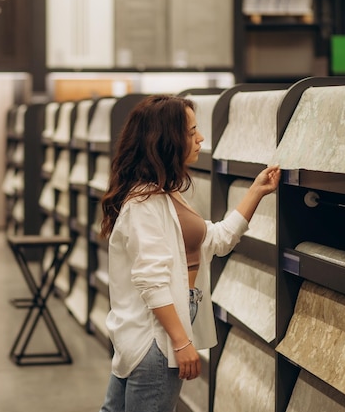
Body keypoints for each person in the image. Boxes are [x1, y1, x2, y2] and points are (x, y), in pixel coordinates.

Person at [97, 94, 280, 412]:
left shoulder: (164, 195)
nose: (201, 138)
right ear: (166, 140)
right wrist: (180, 343)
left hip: (149, 332)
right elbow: (151, 280)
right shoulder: (146, 202)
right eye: (191, 131)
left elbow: (216, 240)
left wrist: (256, 191)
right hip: (156, 335)